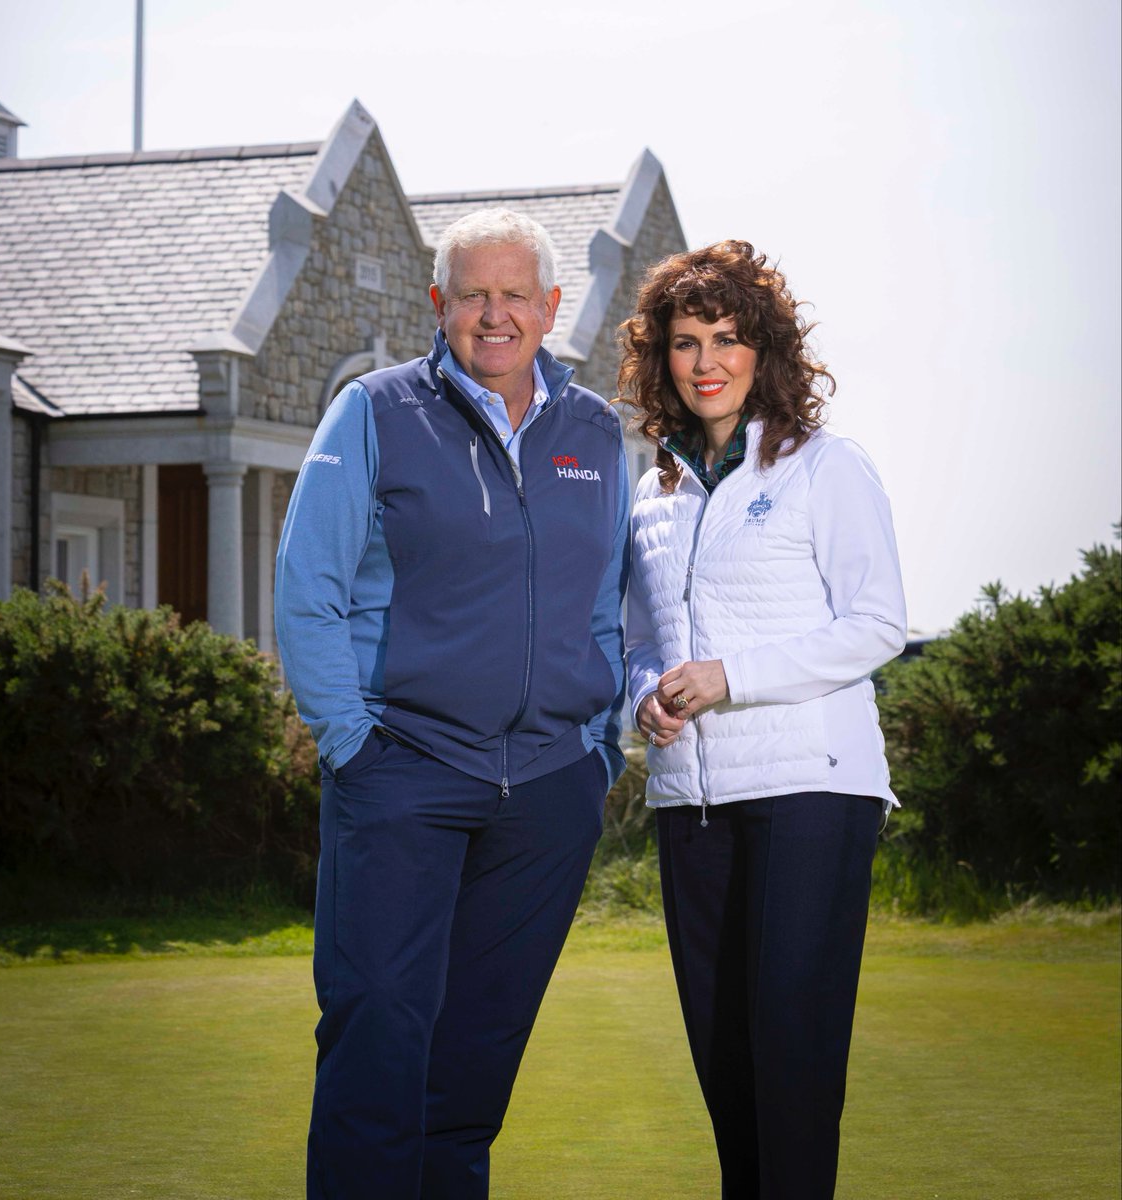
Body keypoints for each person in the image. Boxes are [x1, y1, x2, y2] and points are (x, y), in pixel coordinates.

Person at [274, 208, 628, 1200]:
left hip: (550, 790)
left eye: (516, 293)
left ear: (552, 308)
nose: (494, 313)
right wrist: (351, 744)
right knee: (378, 1031)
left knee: (475, 1062)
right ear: (439, 303)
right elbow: (309, 587)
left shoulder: (596, 433)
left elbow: (605, 606)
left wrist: (598, 753)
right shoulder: (376, 411)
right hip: (403, 774)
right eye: (473, 292)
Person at [619, 241, 907, 1200]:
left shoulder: (826, 468)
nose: (706, 361)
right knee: (724, 1061)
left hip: (811, 794)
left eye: (728, 339)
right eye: (686, 342)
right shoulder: (651, 494)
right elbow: (635, 641)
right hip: (692, 803)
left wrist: (728, 677)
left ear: (764, 350)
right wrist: (645, 699)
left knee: (790, 1058)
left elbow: (876, 626)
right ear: (660, 358)